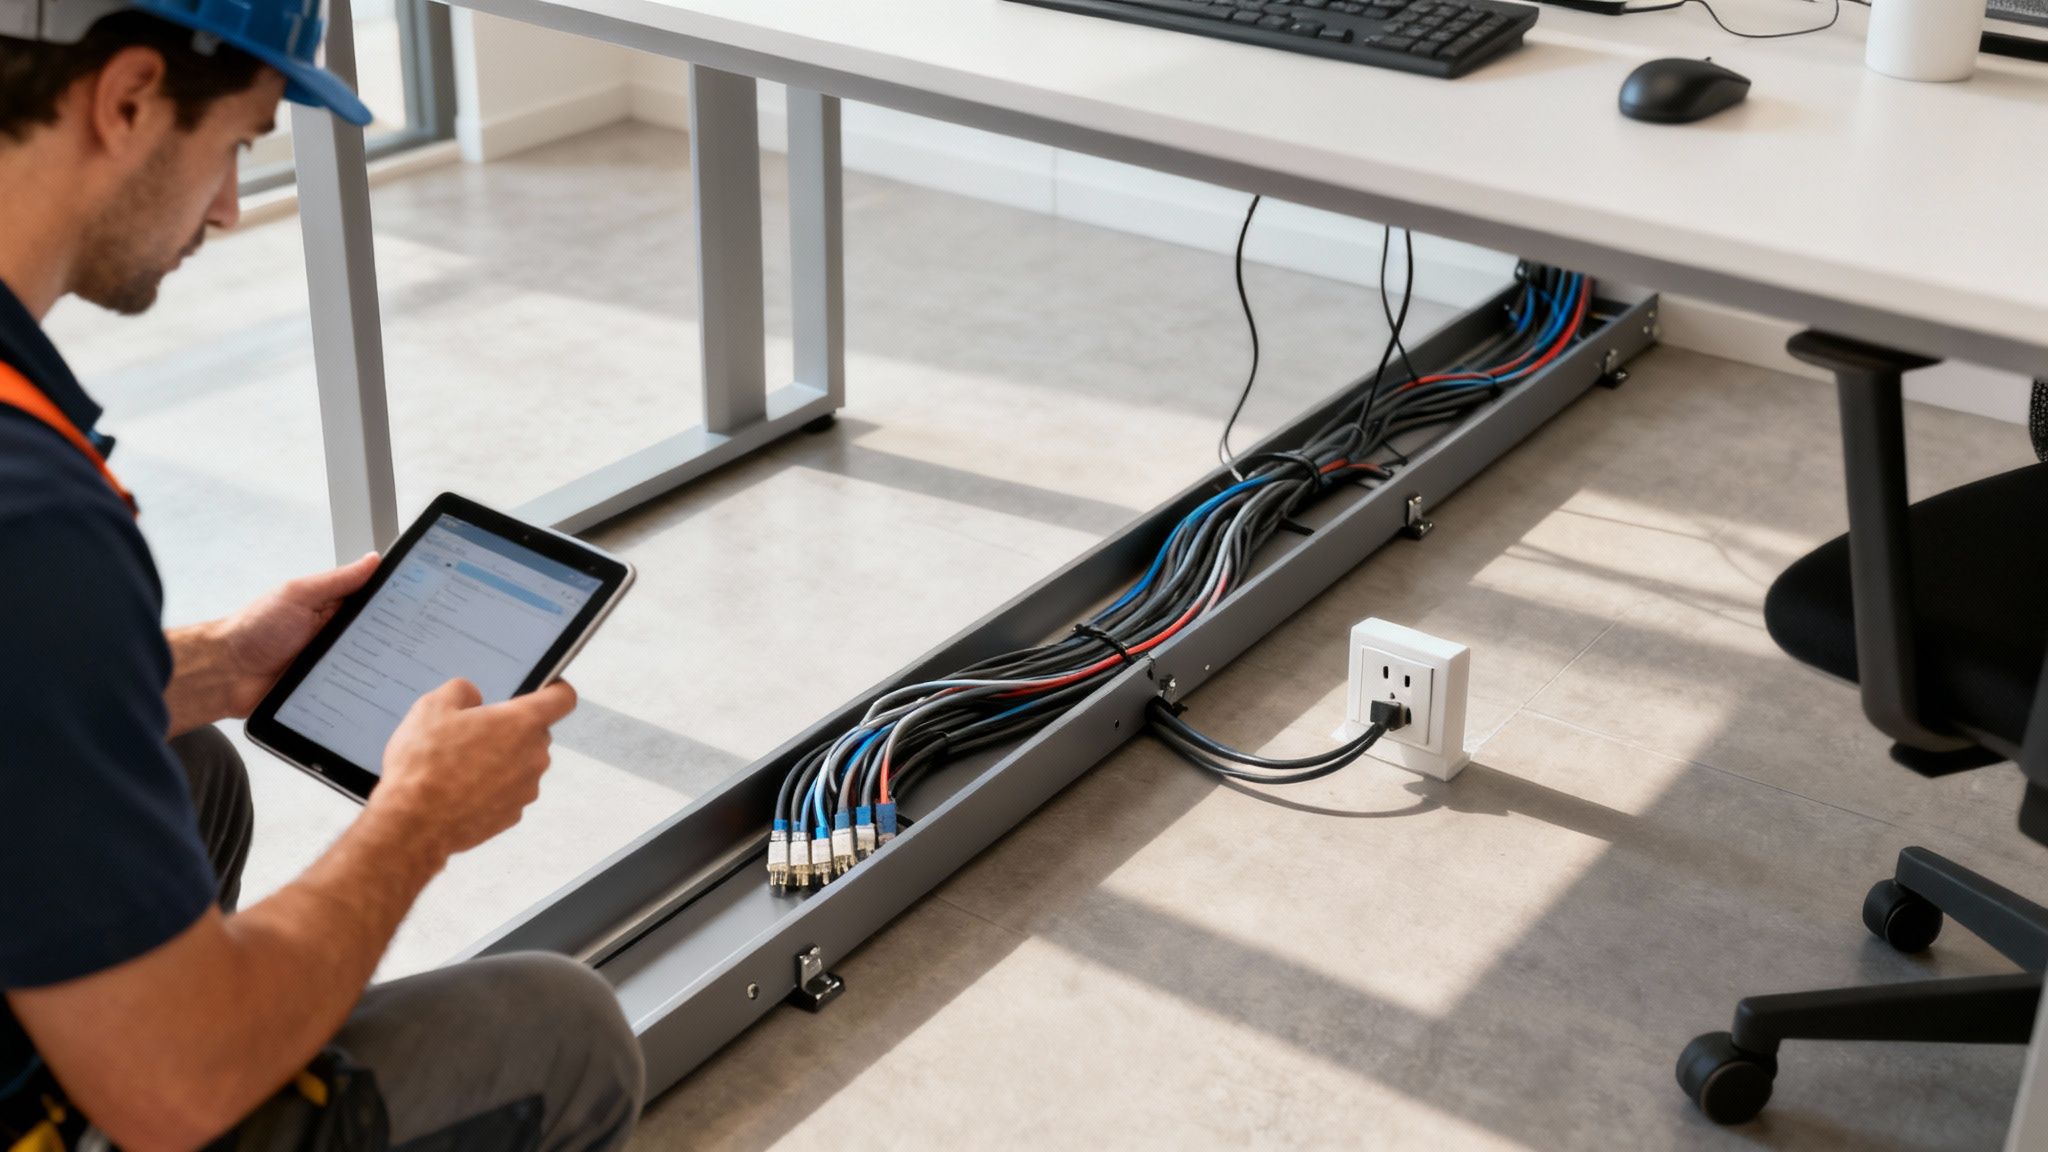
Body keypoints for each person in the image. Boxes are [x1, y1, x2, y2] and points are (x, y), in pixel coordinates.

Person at [0, 2, 645, 1148]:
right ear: (130, 97)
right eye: (238, 145)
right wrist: (417, 819)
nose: (228, 207)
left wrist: (216, 665)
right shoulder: (33, 520)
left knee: (186, 756)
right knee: (565, 1028)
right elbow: (173, 1090)